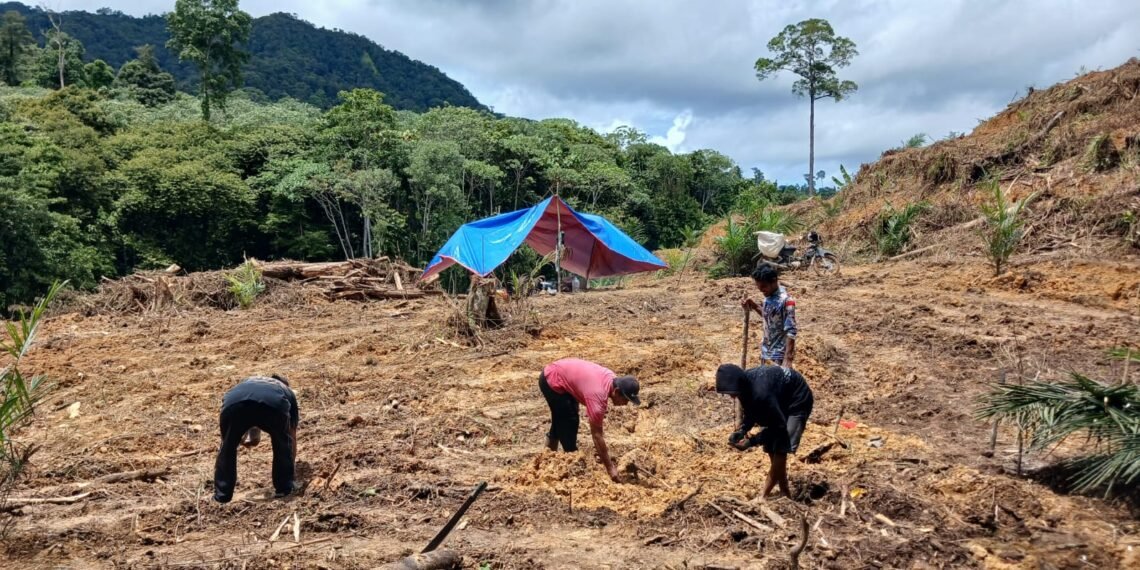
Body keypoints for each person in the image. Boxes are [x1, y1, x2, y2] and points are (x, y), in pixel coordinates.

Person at [715, 363, 813, 500]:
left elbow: (779, 428)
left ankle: (763, 496)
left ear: (739, 385)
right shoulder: (745, 386)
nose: (732, 397)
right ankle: (785, 493)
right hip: (778, 397)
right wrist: (743, 430)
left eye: (732, 393)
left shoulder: (761, 393)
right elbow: (751, 411)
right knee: (771, 448)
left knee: (781, 447)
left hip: (797, 400)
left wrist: (752, 441)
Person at [539, 358, 641, 482]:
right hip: (552, 379)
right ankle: (571, 464)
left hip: (559, 372)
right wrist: (610, 468)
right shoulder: (598, 395)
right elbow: (597, 436)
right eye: (625, 399)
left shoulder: (611, 378)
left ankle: (546, 458)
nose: (625, 404)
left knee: (562, 418)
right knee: (570, 421)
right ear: (616, 391)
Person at [213, 374, 299, 503]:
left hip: (233, 403)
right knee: (282, 442)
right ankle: (284, 488)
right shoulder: (286, 390)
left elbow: (251, 411)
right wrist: (290, 469)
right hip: (273, 405)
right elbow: (291, 434)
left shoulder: (248, 381)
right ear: (285, 384)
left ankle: (222, 496)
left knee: (227, 447)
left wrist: (240, 436)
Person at [741, 264, 798, 368]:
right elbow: (768, 317)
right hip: (766, 353)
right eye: (759, 287)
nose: (761, 290)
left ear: (774, 280)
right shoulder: (768, 298)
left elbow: (791, 331)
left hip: (779, 356)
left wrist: (788, 359)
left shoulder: (787, 301)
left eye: (764, 287)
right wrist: (753, 305)